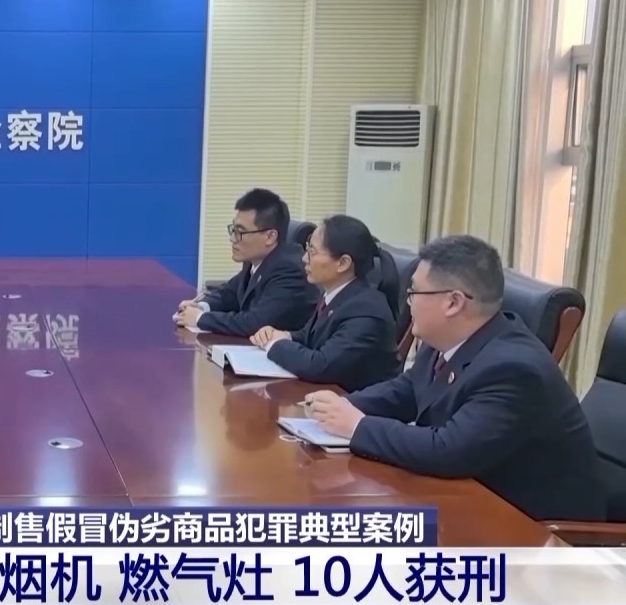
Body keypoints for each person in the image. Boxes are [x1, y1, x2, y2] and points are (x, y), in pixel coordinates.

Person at [302, 235, 605, 522]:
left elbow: (448, 450)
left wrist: (357, 426)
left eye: (414, 293)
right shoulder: (447, 341)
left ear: (453, 302)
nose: (408, 303)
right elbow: (405, 391)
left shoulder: (514, 368)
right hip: (471, 499)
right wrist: (341, 407)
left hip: (531, 527)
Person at [251, 215, 400, 391]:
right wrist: (282, 335)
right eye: (307, 249)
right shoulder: (336, 294)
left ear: (343, 263)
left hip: (354, 403)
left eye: (312, 252)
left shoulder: (366, 311)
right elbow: (308, 336)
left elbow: (320, 366)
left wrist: (274, 345)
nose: (304, 258)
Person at [176, 188, 316, 336]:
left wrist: (199, 318)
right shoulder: (256, 260)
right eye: (233, 230)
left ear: (270, 237)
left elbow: (255, 323)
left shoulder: (289, 270)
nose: (232, 238)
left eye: (240, 232)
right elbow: (229, 293)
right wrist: (201, 306)